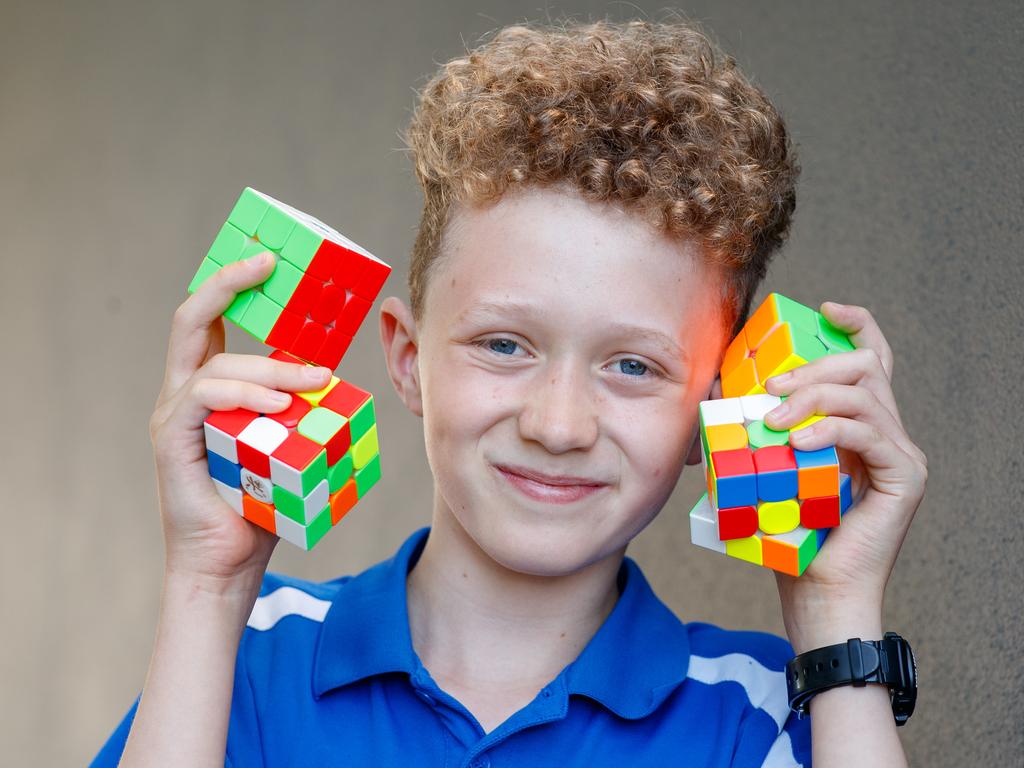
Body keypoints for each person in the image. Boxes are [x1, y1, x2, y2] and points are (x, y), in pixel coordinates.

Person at [92, 17, 926, 767]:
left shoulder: (759, 716)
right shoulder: (248, 654)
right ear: (410, 360)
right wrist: (208, 588)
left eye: (633, 365)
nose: (558, 424)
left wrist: (836, 614)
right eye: (503, 344)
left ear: (716, 411)